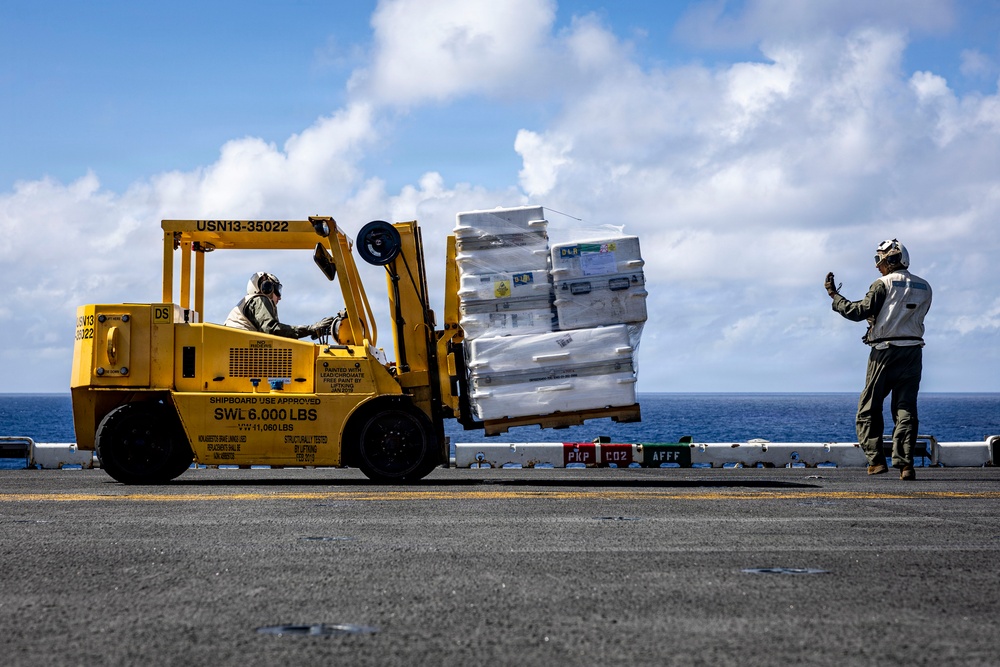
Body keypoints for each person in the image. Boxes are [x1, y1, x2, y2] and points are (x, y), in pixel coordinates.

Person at [825, 239, 932, 480]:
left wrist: (834, 295)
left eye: (879, 261)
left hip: (884, 350)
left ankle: (876, 461)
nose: (877, 266)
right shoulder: (925, 286)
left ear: (891, 260)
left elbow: (858, 312)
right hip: (913, 351)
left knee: (869, 407)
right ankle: (906, 465)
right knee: (905, 409)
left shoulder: (882, 284)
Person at [224, 272, 336, 339]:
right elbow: (273, 330)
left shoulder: (250, 302)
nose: (279, 297)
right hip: (243, 350)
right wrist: (310, 329)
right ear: (267, 288)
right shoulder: (260, 300)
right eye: (277, 291)